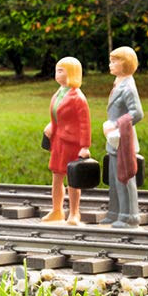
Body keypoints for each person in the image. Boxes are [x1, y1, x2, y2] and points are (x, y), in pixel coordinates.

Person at [42, 56, 91, 224]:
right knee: (57, 176)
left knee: (73, 178)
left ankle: (74, 213)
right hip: (58, 141)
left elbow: (85, 123)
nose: (57, 74)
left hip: (72, 142)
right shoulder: (59, 93)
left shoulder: (78, 97)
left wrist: (85, 146)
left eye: (60, 71)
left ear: (71, 73)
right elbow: (57, 114)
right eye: (56, 70)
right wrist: (51, 125)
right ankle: (57, 210)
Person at [105, 46, 144, 229]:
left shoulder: (128, 86)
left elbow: (137, 113)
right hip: (114, 140)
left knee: (125, 177)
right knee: (113, 178)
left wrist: (115, 124)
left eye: (114, 61)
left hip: (124, 139)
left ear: (125, 63)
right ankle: (115, 212)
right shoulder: (118, 82)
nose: (110, 64)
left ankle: (130, 216)